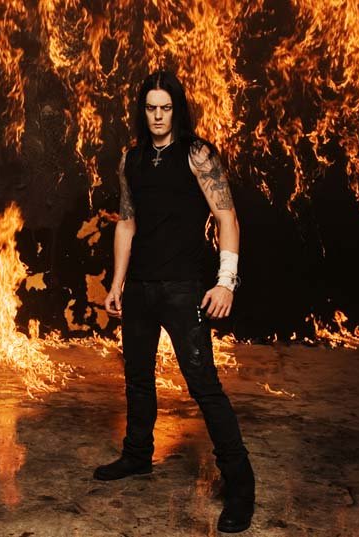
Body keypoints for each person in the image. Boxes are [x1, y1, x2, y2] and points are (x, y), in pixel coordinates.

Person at [95, 71, 255, 533]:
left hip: (183, 289)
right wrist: (117, 284)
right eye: (151, 108)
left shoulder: (198, 154)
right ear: (142, 111)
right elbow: (126, 223)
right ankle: (137, 455)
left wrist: (226, 282)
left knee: (204, 385)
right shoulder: (131, 158)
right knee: (137, 378)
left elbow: (227, 217)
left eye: (166, 108)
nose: (158, 116)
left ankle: (241, 486)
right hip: (140, 288)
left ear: (177, 110)